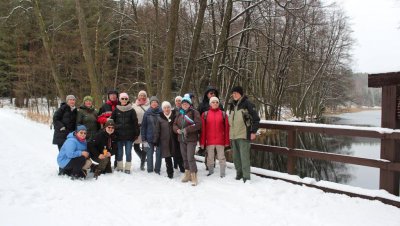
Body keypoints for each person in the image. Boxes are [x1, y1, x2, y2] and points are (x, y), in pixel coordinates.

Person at [228, 86, 260, 183]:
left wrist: (253, 132)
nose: (234, 95)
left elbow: (256, 119)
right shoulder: (232, 104)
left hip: (244, 134)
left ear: (241, 94)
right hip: (234, 135)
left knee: (244, 157)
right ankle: (239, 174)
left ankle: (246, 177)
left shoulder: (247, 104)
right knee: (236, 158)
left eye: (236, 93)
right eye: (233, 93)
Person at [173, 94, 202, 186]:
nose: (185, 105)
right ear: (181, 105)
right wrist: (176, 129)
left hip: (191, 139)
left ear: (190, 104)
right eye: (183, 103)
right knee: (184, 158)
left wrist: (186, 129)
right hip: (181, 139)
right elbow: (174, 124)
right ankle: (187, 174)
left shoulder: (194, 112)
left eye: (186, 103)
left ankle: (194, 176)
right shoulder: (179, 114)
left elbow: (198, 125)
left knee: (190, 157)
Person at [200, 97, 229, 177]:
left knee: (221, 157)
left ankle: (222, 173)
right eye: (213, 102)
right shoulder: (205, 114)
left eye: (216, 102)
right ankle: (210, 171)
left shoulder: (223, 114)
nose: (215, 103)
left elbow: (227, 129)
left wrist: (227, 142)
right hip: (209, 140)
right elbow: (203, 130)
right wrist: (202, 142)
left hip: (220, 140)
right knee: (210, 157)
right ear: (210, 104)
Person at [110, 92, 139, 174]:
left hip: (129, 135)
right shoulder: (116, 110)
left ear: (128, 100)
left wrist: (136, 133)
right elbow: (112, 122)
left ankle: (127, 167)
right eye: (122, 98)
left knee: (128, 152)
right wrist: (112, 133)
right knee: (119, 152)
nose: (124, 100)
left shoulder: (132, 110)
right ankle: (119, 167)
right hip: (118, 135)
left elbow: (135, 123)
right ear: (120, 99)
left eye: (126, 98)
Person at [157, 101, 180, 178]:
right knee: (167, 157)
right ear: (162, 109)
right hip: (164, 140)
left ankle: (182, 168)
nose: (167, 109)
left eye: (168, 107)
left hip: (174, 139)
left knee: (177, 154)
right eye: (165, 108)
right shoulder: (159, 117)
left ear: (170, 108)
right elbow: (157, 130)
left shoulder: (175, 116)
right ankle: (170, 173)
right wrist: (156, 140)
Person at [141, 96, 162, 174]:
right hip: (149, 137)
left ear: (158, 103)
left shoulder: (161, 112)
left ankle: (157, 169)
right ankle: (150, 169)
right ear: (150, 104)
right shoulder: (147, 113)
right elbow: (143, 126)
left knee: (159, 154)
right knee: (149, 153)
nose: (154, 103)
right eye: (152, 102)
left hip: (160, 137)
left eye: (155, 102)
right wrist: (143, 138)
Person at [132, 90, 150, 170]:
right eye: (141, 95)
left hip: (146, 129)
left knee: (145, 147)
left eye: (144, 95)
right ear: (138, 96)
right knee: (136, 147)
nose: (142, 97)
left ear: (146, 96)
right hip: (136, 129)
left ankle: (142, 164)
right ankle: (143, 157)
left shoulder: (149, 105)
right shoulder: (134, 106)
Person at [172, 95, 184, 172]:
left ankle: (181, 164)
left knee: (181, 149)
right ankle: (175, 163)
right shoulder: (172, 111)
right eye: (176, 101)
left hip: (182, 132)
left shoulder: (184, 110)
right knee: (175, 148)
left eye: (179, 101)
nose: (178, 102)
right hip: (174, 132)